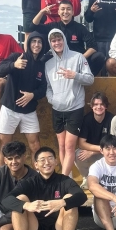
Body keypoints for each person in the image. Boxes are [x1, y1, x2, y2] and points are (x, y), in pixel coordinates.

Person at [2, 146, 87, 230]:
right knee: (20, 200)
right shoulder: (29, 182)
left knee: (69, 198)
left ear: (56, 162)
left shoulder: (64, 181)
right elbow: (6, 200)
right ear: (36, 164)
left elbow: (82, 197)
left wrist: (62, 202)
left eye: (50, 159)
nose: (46, 162)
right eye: (42, 160)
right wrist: (27, 205)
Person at [45, 29, 94, 177]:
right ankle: (68, 176)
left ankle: (63, 179)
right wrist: (51, 99)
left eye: (59, 39)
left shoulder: (78, 57)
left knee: (69, 146)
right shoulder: (48, 64)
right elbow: (48, 87)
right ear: (50, 43)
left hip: (75, 107)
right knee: (61, 145)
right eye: (53, 41)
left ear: (64, 40)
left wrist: (75, 75)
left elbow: (90, 79)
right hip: (57, 108)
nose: (57, 43)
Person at [0, 32, 47, 167]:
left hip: (29, 111)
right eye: (33, 41)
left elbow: (43, 88)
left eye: (39, 42)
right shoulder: (17, 57)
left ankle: (38, 178)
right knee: (5, 146)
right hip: (9, 109)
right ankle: (1, 180)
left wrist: (32, 95)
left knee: (35, 144)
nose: (36, 44)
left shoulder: (42, 65)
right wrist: (13, 65)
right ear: (28, 44)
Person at [31, 0, 105, 76]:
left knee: (99, 57)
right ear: (58, 12)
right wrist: (42, 12)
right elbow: (34, 26)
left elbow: (93, 46)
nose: (65, 12)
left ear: (73, 12)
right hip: (58, 59)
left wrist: (81, 58)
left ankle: (88, 78)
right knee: (41, 61)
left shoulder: (80, 28)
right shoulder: (53, 26)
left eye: (68, 9)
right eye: (62, 9)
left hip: (77, 61)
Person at [75, 92, 114, 189]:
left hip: (107, 152)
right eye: (96, 104)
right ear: (92, 106)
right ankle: (87, 177)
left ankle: (106, 178)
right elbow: (81, 143)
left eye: (101, 104)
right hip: (98, 150)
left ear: (106, 106)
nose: (99, 107)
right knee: (78, 154)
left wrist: (93, 152)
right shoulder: (87, 119)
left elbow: (112, 144)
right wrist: (97, 150)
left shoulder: (112, 119)